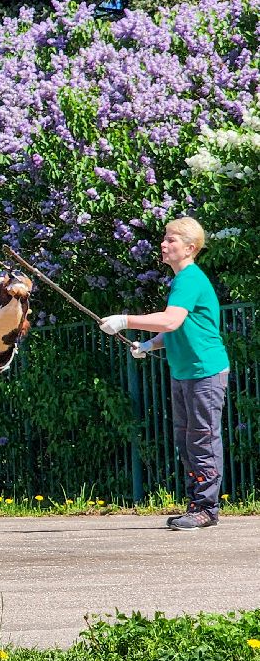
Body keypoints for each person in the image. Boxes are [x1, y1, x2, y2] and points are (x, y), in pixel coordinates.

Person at [98, 217, 230, 531]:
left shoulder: (189, 278)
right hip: (186, 372)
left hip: (204, 373)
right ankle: (197, 504)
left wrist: (125, 319)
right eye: (165, 238)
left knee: (202, 439)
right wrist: (150, 345)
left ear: (190, 248)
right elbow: (177, 329)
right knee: (187, 441)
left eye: (171, 239)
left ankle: (206, 509)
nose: (164, 243)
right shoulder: (181, 280)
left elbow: (170, 321)